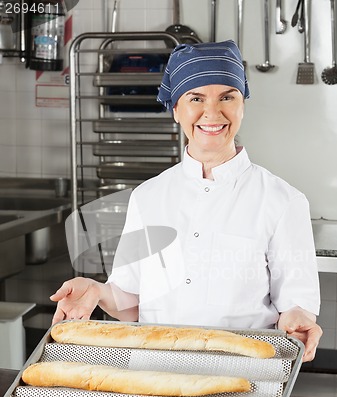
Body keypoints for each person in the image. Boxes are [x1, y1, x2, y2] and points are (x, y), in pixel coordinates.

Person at [51, 40, 322, 362]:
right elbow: (130, 300)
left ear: (242, 105)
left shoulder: (283, 201)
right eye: (196, 98)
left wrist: (297, 318)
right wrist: (97, 291)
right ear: (176, 109)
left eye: (227, 97)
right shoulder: (148, 196)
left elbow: (296, 304)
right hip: (155, 371)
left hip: (246, 373)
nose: (212, 112)